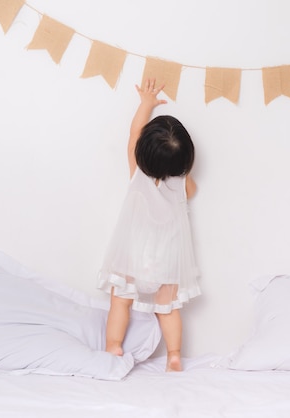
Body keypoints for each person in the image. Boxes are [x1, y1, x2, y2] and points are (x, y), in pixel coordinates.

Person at [98, 79, 201, 372]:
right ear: (185, 161)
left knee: (120, 302)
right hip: (167, 260)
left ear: (143, 152)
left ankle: (113, 347)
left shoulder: (137, 173)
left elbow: (133, 134)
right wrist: (183, 171)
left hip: (131, 255)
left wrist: (146, 103)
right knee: (167, 311)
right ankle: (174, 355)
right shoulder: (183, 183)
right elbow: (191, 190)